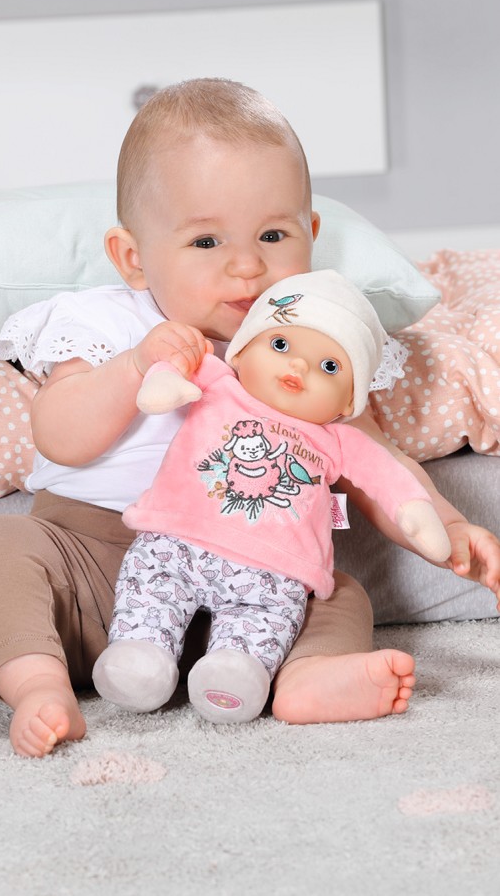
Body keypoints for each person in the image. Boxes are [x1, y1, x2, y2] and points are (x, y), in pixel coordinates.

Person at [0, 78, 500, 758]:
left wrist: (449, 528)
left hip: (258, 590)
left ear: (310, 236)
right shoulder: (105, 322)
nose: (246, 266)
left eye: (273, 234)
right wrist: (133, 368)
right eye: (206, 241)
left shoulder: (310, 347)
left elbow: (376, 465)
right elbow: (58, 433)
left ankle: (304, 678)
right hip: (93, 566)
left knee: (337, 595)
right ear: (132, 258)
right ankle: (38, 683)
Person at [92, 270, 451, 724]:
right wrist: (164, 383)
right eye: (280, 345)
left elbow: (387, 476)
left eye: (329, 367)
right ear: (241, 351)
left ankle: (235, 675)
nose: (297, 367)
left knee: (264, 624)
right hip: (175, 542)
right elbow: (173, 365)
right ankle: (139, 658)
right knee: (151, 589)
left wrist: (416, 513)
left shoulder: (337, 441)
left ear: (348, 403)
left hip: (272, 575)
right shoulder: (220, 383)